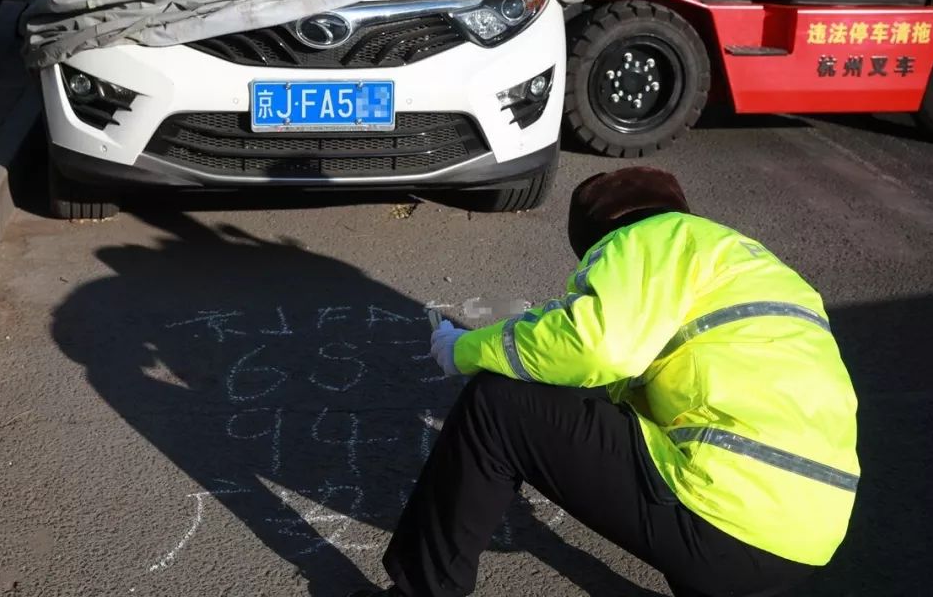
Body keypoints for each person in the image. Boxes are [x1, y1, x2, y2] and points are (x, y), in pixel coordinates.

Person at [353, 167, 859, 597]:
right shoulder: (741, 259)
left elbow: (596, 345)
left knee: (499, 406)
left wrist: (464, 350)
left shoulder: (646, 239)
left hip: (729, 524)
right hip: (806, 537)